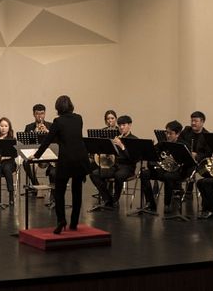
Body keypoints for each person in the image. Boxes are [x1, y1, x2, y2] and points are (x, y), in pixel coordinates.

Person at [30, 95, 90, 234]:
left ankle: (61, 220)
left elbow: (48, 141)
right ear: (71, 106)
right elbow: (68, 136)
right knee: (77, 191)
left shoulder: (58, 121)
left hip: (66, 160)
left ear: (58, 108)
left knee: (59, 192)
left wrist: (36, 155)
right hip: (80, 159)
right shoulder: (79, 118)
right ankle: (74, 222)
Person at [139, 120, 191, 214]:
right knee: (144, 174)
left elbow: (188, 163)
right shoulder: (163, 142)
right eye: (166, 132)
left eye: (170, 133)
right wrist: (150, 148)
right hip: (163, 170)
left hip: (179, 172)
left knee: (168, 176)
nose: (167, 135)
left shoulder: (183, 145)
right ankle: (150, 203)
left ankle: (167, 204)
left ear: (177, 134)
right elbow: (153, 152)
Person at [90, 115, 137, 208]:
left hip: (128, 167)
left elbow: (133, 158)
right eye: (119, 125)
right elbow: (112, 155)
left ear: (129, 125)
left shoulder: (134, 139)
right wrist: (111, 146)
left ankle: (115, 199)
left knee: (118, 175)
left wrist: (121, 146)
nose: (121, 127)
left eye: (124, 125)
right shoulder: (117, 138)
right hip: (115, 166)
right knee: (94, 174)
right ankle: (107, 199)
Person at [22, 104, 54, 189]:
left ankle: (53, 191)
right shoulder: (29, 127)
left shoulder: (51, 126)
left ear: (45, 114)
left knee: (54, 169)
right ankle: (35, 184)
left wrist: (48, 132)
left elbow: (56, 141)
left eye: (42, 113)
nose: (40, 116)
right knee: (25, 163)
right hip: (34, 154)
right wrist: (34, 133)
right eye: (37, 114)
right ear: (33, 114)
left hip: (48, 155)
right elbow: (25, 144)